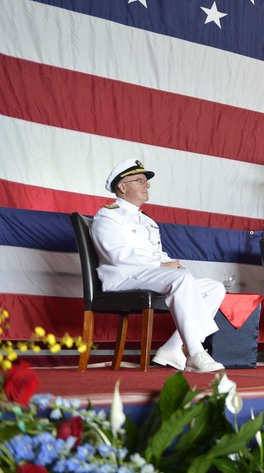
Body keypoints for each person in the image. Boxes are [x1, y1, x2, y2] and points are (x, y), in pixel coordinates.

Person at [92, 159, 227, 373]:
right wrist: (160, 264)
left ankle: (173, 348)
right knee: (181, 280)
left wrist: (169, 264)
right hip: (123, 277)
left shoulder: (147, 221)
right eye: (140, 180)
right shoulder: (108, 215)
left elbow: (156, 253)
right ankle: (195, 352)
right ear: (122, 187)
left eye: (146, 182)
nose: (147, 185)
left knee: (214, 288)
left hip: (148, 275)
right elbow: (116, 254)